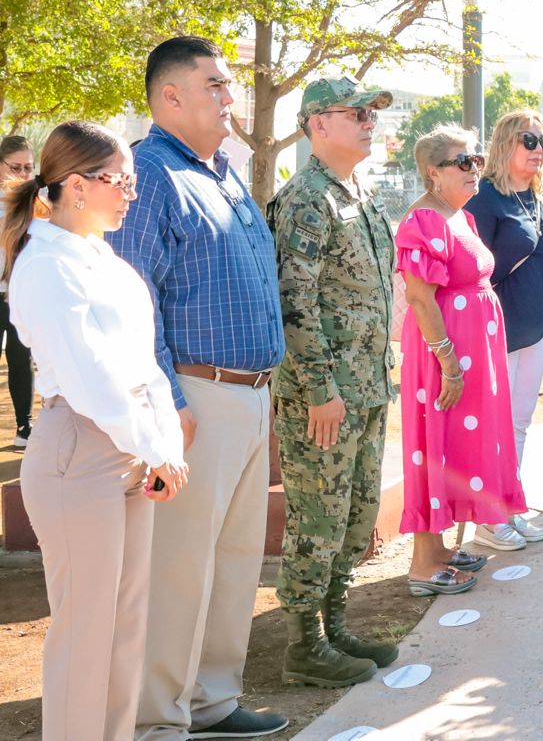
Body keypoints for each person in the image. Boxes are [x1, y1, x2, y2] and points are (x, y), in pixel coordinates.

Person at [106, 36, 289, 741]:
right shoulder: (149, 173)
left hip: (247, 393)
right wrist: (168, 404)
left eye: (229, 84)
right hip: (193, 398)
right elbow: (134, 298)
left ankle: (213, 701)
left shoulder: (221, 172)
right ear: (170, 96)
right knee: (179, 567)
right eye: (215, 84)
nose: (229, 96)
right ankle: (158, 719)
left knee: (236, 559)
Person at [6, 121, 187, 741]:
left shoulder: (99, 256)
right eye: (122, 182)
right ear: (77, 186)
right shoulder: (47, 265)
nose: (131, 195)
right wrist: (155, 445)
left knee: (123, 627)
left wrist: (160, 445)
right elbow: (91, 377)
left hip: (128, 448)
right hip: (79, 447)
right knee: (86, 634)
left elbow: (144, 362)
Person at [264, 78, 399, 690]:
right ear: (318, 124)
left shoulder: (358, 193)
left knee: (355, 511)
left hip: (367, 388)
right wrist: (319, 389)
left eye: (373, 113)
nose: (371, 122)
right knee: (318, 515)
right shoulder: (306, 200)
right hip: (325, 396)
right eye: (359, 114)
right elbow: (296, 301)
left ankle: (336, 623)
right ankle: (303, 645)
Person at [396, 125, 526, 593]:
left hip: (471, 353)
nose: (476, 169)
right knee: (436, 444)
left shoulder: (458, 216)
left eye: (477, 161)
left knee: (456, 446)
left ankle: (441, 550)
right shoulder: (426, 220)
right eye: (464, 162)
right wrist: (449, 362)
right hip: (445, 354)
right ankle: (423, 566)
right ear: (434, 173)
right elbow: (420, 297)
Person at [465, 108, 543, 545]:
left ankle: (509, 505)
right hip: (495, 332)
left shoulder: (540, 198)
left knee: (519, 423)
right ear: (505, 144)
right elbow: (474, 271)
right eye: (530, 141)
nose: (539, 151)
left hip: (535, 329)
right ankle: (489, 517)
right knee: (495, 424)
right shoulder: (485, 200)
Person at [1, 134, 37, 449]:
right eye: (16, 168)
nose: (23, 175)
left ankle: (24, 426)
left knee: (20, 359)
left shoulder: (36, 202)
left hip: (18, 295)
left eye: (28, 167)